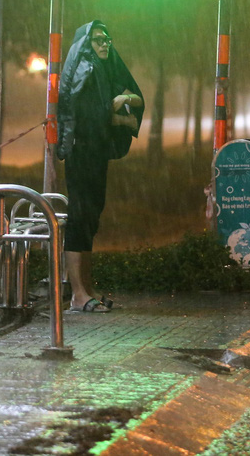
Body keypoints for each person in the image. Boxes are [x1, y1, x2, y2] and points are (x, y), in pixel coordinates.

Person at [57, 20, 143, 313]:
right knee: (80, 217)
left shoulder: (106, 67)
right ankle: (78, 294)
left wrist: (124, 99)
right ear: (86, 45)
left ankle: (87, 289)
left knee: (92, 217)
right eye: (97, 40)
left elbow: (137, 97)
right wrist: (120, 118)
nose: (105, 44)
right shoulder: (85, 68)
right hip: (82, 152)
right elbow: (86, 113)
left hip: (97, 153)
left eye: (107, 38)